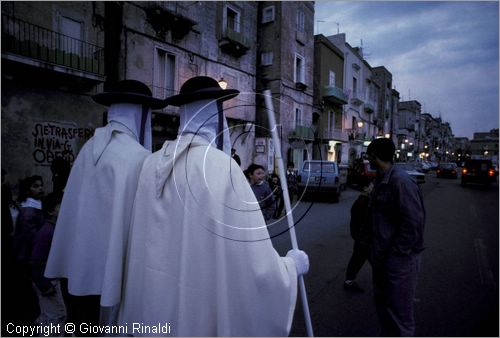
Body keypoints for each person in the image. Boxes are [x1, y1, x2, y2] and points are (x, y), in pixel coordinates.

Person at [118, 76, 309, 336]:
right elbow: (253, 259)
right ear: (217, 118)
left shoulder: (151, 163)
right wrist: (289, 268)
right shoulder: (221, 166)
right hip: (199, 307)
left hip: (154, 302)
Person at [45, 79, 167, 332]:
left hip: (78, 263)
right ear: (140, 113)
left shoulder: (88, 147)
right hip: (111, 270)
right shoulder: (137, 157)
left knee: (80, 322)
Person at [366, 137, 425, 336]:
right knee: (384, 308)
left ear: (374, 156)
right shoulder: (381, 179)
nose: (368, 160)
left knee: (400, 315)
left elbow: (413, 222)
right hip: (382, 257)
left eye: (369, 156)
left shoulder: (400, 181)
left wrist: (397, 253)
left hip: (399, 260)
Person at [31, 193, 67, 334]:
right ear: (51, 211)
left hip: (49, 280)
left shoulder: (53, 229)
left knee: (49, 315)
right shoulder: (46, 232)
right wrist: (44, 285)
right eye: (61, 206)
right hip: (47, 282)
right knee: (57, 315)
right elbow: (36, 261)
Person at [12, 175, 46, 325]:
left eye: (41, 185)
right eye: (35, 186)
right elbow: (32, 238)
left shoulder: (35, 206)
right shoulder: (29, 211)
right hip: (28, 256)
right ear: (28, 190)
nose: (40, 188)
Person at [343, 182, 373, 293]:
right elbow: (359, 220)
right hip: (364, 237)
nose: (372, 187)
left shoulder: (365, 200)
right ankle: (349, 281)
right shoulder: (363, 202)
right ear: (365, 189)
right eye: (370, 186)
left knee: (358, 258)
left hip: (363, 237)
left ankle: (349, 281)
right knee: (363, 258)